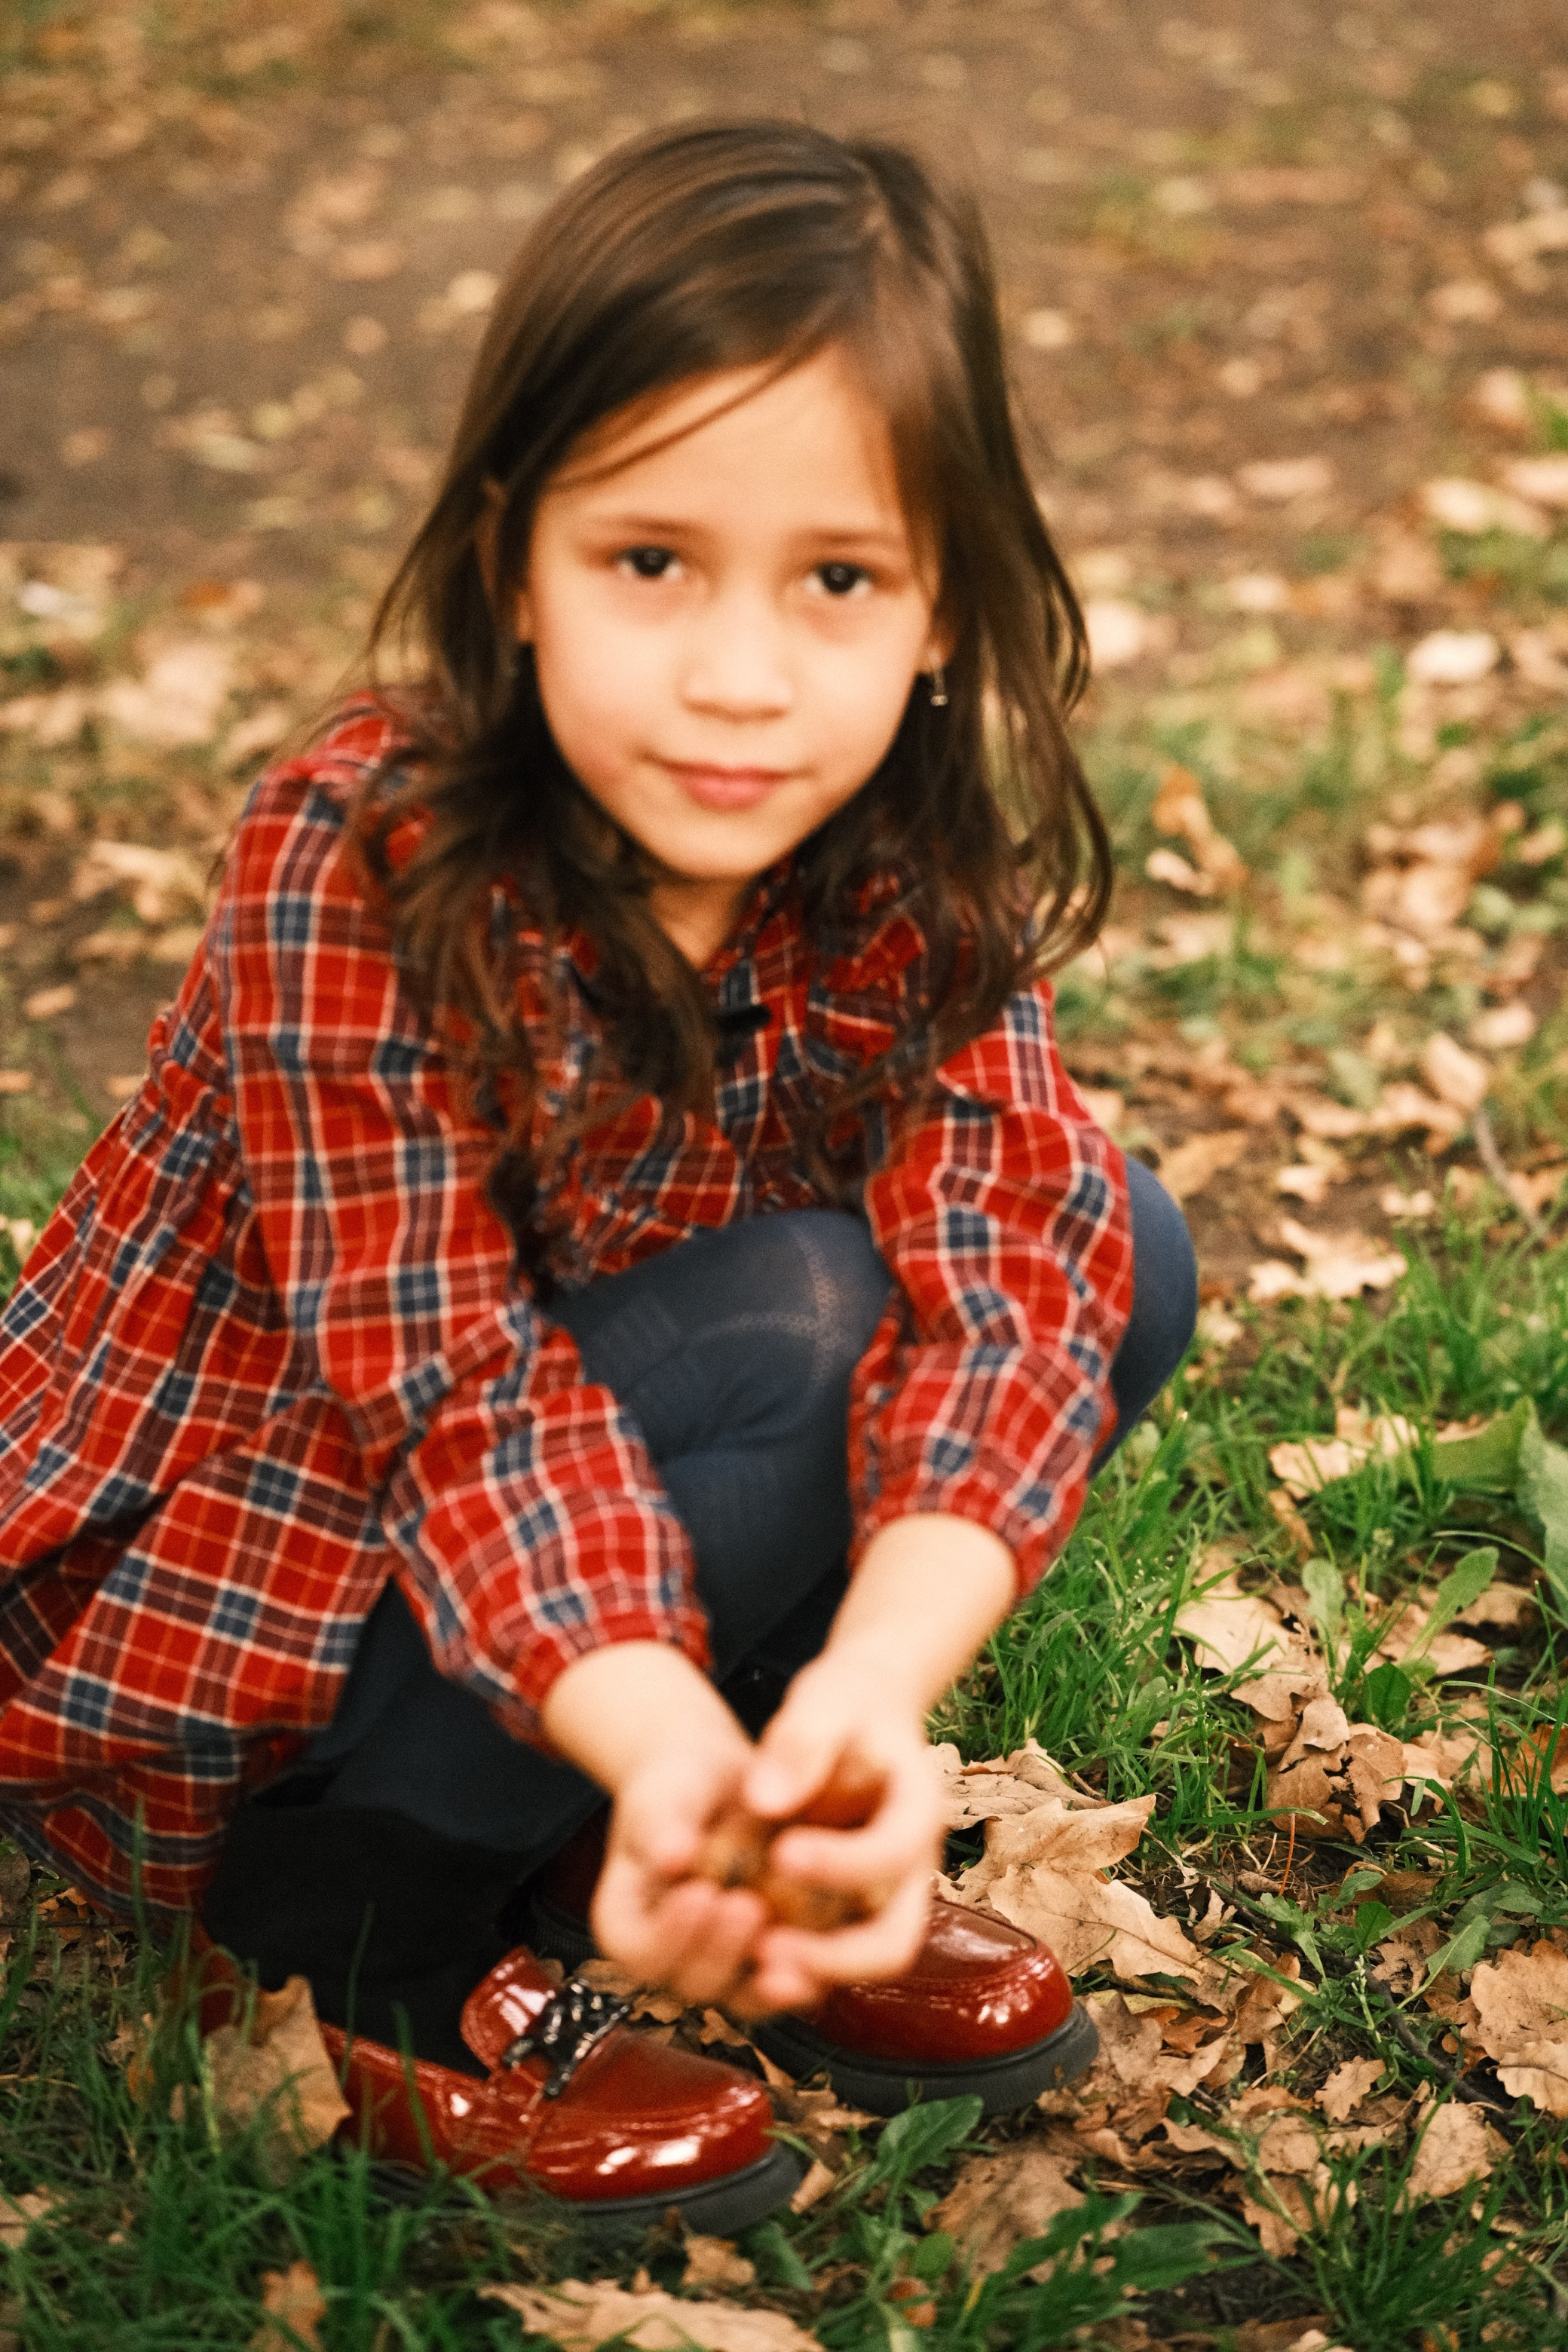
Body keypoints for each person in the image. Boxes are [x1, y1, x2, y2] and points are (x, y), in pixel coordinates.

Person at [0, 120, 1196, 2225]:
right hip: (265, 1619)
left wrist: (847, 1727)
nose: (741, 676)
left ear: (940, 611)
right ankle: (347, 1926)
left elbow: (1017, 1278)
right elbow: (457, 1393)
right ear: (509, 562)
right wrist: (662, 1742)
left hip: (597, 1592)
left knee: (1127, 1243)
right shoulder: (359, 857)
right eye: (651, 561)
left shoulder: (906, 865)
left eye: (838, 577)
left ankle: (670, 1843)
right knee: (812, 1319)